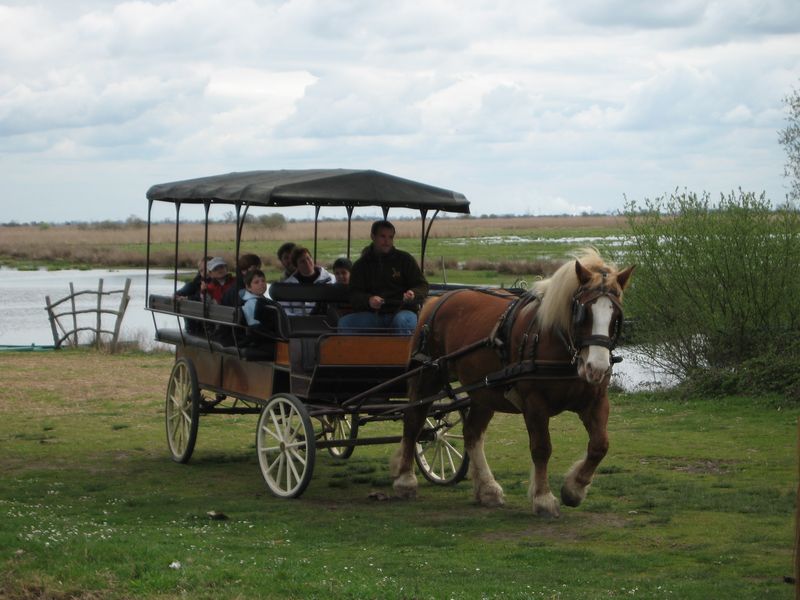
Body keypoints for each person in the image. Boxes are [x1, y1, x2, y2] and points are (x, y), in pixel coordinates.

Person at [338, 220, 428, 334]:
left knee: (401, 321)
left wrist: (413, 293)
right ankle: (354, 352)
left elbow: (422, 285)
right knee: (345, 323)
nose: (387, 241)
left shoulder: (405, 260)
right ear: (373, 236)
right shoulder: (361, 265)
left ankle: (403, 352)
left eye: (390, 237)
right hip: (374, 315)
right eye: (383, 236)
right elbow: (354, 294)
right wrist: (369, 300)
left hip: (403, 311)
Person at [281, 246, 335, 316]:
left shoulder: (331, 278)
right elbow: (284, 309)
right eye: (302, 261)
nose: (307, 262)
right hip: (299, 322)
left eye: (308, 258)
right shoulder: (288, 285)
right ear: (296, 266)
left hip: (326, 321)